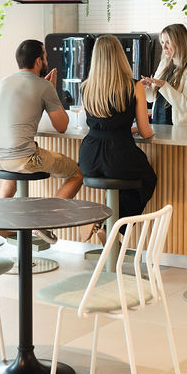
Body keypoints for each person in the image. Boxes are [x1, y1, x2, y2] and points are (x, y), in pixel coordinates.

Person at [0, 39, 83, 206]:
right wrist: (51, 89)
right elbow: (62, 126)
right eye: (45, 57)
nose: (47, 61)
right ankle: (45, 223)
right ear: (38, 61)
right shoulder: (44, 86)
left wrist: (47, 87)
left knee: (12, 169)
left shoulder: (5, 81)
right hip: (22, 158)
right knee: (77, 173)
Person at [78, 35, 156, 239]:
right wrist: (136, 130)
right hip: (119, 154)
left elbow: (99, 123)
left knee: (122, 184)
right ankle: (112, 228)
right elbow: (145, 131)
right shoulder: (134, 86)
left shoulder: (86, 87)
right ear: (120, 56)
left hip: (89, 157)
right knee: (147, 179)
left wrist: (122, 129)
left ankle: (105, 222)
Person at [140, 23, 187, 126]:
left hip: (183, 130)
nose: (164, 47)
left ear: (180, 43)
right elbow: (151, 98)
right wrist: (145, 88)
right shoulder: (163, 64)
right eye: (162, 42)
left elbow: (185, 105)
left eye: (168, 42)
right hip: (158, 124)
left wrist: (163, 85)